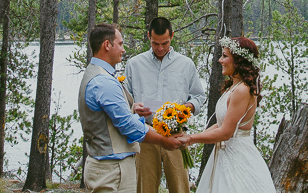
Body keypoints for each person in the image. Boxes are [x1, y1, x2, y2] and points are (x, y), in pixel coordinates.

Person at [79, 23, 181, 193]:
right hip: (110, 170)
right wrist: (164, 140)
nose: (123, 49)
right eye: (120, 44)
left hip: (110, 166)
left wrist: (132, 108)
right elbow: (128, 125)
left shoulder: (98, 74)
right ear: (107, 45)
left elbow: (109, 114)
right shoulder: (103, 81)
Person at [179, 36, 277, 193]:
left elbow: (226, 133)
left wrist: (191, 138)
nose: (220, 60)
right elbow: (221, 124)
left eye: (225, 56)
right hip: (224, 154)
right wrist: (194, 138)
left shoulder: (242, 90)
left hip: (237, 156)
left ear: (238, 60)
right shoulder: (234, 87)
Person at [125, 17, 206, 193]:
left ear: (172, 37)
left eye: (165, 43)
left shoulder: (186, 64)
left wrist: (188, 107)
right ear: (148, 37)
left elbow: (199, 96)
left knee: (180, 187)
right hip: (146, 135)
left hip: (176, 135)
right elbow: (125, 99)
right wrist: (133, 108)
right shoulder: (134, 64)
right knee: (144, 188)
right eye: (156, 43)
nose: (160, 48)